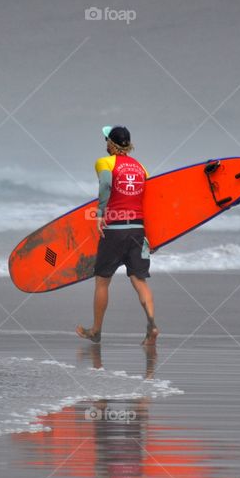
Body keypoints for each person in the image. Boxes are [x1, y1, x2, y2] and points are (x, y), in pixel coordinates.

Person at [76, 126, 158, 345]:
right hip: (138, 230)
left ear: (110, 144)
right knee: (139, 280)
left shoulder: (104, 162)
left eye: (106, 139)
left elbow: (105, 184)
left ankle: (96, 331)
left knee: (102, 281)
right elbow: (150, 200)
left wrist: (100, 213)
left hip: (114, 229)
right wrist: (155, 235)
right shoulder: (142, 168)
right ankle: (152, 325)